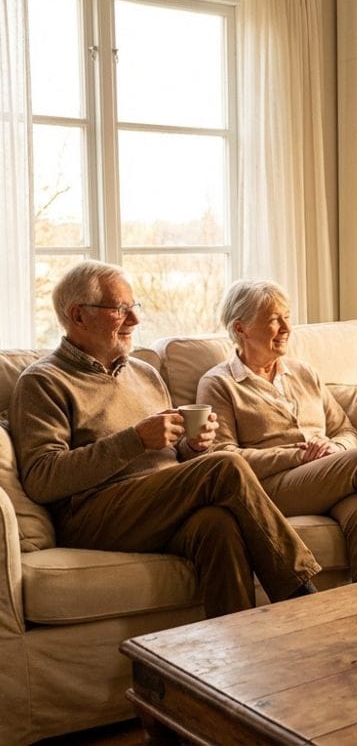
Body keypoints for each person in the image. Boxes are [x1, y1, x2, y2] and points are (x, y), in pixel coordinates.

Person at [9, 261, 321, 619]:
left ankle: (238, 650)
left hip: (159, 503)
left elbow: (173, 456)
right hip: (94, 514)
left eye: (134, 308)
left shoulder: (144, 373)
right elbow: (42, 478)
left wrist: (192, 446)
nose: (135, 321)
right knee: (225, 465)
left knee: (217, 526)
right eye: (120, 310)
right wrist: (136, 440)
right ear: (78, 316)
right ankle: (303, 596)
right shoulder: (43, 382)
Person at [196, 279, 357, 581]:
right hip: (271, 488)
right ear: (240, 329)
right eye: (275, 319)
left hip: (325, 474)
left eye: (287, 316)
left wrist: (335, 449)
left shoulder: (303, 372)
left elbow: (344, 429)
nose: (287, 327)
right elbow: (222, 458)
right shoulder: (219, 383)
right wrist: (296, 456)